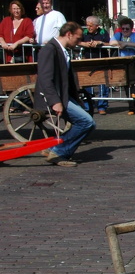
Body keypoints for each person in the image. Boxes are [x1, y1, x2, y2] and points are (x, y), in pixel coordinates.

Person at [34, 22, 95, 167]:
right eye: (78, 38)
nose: (79, 42)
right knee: (86, 122)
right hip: (57, 97)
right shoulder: (50, 49)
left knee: (87, 122)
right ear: (69, 34)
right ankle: (59, 152)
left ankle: (54, 149)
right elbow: (45, 78)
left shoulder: (61, 49)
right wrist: (55, 101)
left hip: (65, 96)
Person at [109, 17, 135, 116]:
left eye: (127, 29)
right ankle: (132, 108)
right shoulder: (118, 35)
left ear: (131, 29)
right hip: (124, 63)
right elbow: (111, 42)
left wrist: (125, 44)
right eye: (123, 28)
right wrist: (121, 43)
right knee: (127, 86)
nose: (124, 31)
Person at [79, 16, 112, 114]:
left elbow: (109, 43)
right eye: (87, 25)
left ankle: (102, 106)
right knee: (88, 84)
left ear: (97, 26)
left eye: (90, 26)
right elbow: (77, 41)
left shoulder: (103, 32)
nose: (88, 28)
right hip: (88, 61)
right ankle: (88, 106)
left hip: (101, 61)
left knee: (103, 84)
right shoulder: (84, 32)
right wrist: (84, 44)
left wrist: (100, 43)